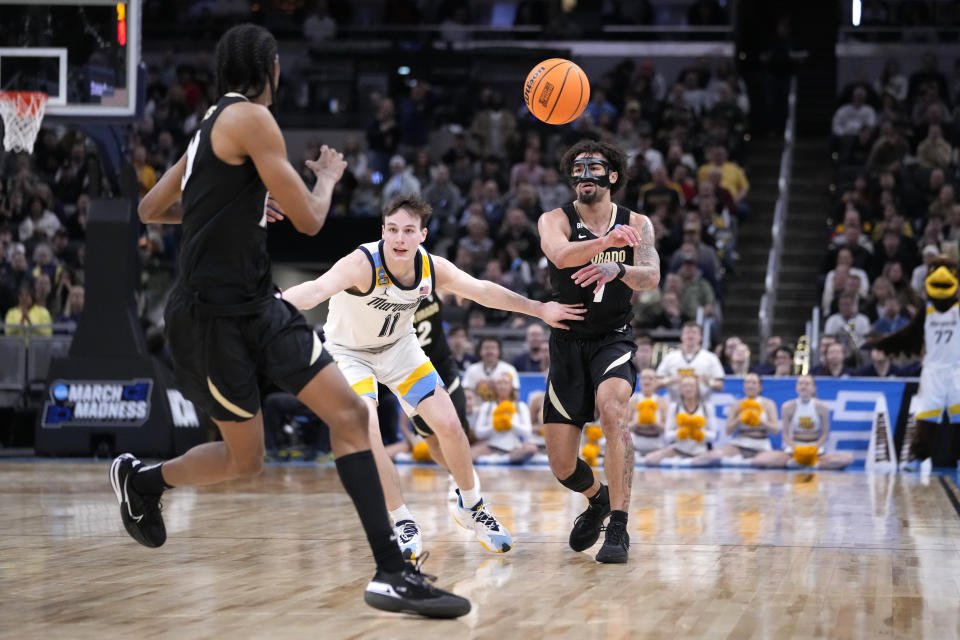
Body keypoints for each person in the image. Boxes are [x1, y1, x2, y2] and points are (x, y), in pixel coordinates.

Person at [112, 25, 470, 619]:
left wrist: (234, 208)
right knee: (242, 460)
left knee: (351, 414)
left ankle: (390, 573)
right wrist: (326, 178)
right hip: (210, 318)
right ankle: (143, 482)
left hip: (258, 305)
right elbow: (308, 221)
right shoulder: (251, 118)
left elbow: (152, 209)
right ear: (271, 68)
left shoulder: (206, 130)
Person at [282, 195, 583, 560]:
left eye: (409, 231)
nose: (399, 238)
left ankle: (471, 506)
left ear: (421, 235)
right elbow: (315, 290)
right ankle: (401, 519)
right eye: (392, 229)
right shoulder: (362, 263)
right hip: (349, 353)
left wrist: (539, 309)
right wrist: (272, 303)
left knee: (451, 427)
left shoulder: (431, 267)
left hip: (398, 349)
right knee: (369, 431)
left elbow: (484, 292)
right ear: (382, 232)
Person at [537, 139, 660, 564]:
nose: (583, 175)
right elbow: (560, 254)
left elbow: (651, 276)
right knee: (562, 466)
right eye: (577, 169)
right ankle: (598, 498)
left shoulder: (638, 223)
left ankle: (619, 528)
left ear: (611, 177)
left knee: (613, 412)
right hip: (567, 342)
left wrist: (619, 267)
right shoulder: (555, 219)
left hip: (613, 337)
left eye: (593, 168)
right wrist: (606, 242)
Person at [752, 376, 854, 470]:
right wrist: (797, 449)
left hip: (815, 449)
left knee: (847, 458)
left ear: (814, 388)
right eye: (800, 384)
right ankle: (796, 462)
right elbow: (785, 435)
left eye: (807, 384)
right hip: (794, 448)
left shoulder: (822, 407)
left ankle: (812, 463)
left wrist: (813, 448)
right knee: (759, 460)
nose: (803, 386)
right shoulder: (787, 406)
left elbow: (824, 434)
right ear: (796, 387)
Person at [697, 373, 779, 465]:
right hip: (740, 443)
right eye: (747, 383)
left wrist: (761, 421)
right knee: (711, 456)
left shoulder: (768, 404)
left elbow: (775, 430)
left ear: (760, 387)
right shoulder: (737, 404)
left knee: (762, 462)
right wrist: (739, 419)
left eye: (754, 383)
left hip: (761, 444)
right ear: (744, 386)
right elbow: (728, 430)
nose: (750, 386)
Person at [642, 375, 716, 465]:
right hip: (679, 450)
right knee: (650, 459)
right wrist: (680, 433)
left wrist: (700, 434)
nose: (688, 389)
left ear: (697, 389)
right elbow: (667, 436)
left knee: (714, 458)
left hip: (701, 451)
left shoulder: (706, 407)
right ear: (680, 389)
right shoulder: (675, 407)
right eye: (685, 386)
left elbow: (713, 436)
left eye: (691, 385)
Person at [470, 373, 538, 464]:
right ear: (494, 387)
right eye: (499, 383)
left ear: (511, 386)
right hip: (492, 446)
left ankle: (501, 460)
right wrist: (495, 426)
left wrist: (510, 424)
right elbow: (479, 433)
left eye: (506, 383)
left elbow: (527, 432)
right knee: (469, 454)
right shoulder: (487, 406)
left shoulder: (521, 406)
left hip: (515, 447)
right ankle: (503, 459)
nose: (502, 386)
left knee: (531, 449)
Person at [656, 322, 725, 401]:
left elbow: (720, 385)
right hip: (675, 403)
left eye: (694, 332)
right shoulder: (670, 357)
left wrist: (708, 382)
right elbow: (656, 383)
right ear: (681, 336)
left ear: (701, 337)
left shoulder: (711, 357)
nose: (690, 335)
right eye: (687, 332)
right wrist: (670, 380)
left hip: (702, 404)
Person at [627, 368, 668, 459]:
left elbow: (667, 429)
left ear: (656, 382)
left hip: (657, 447)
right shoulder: (632, 401)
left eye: (650, 379)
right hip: (635, 447)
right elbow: (624, 427)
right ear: (639, 382)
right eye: (644, 378)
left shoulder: (662, 402)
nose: (647, 382)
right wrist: (638, 421)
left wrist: (653, 422)